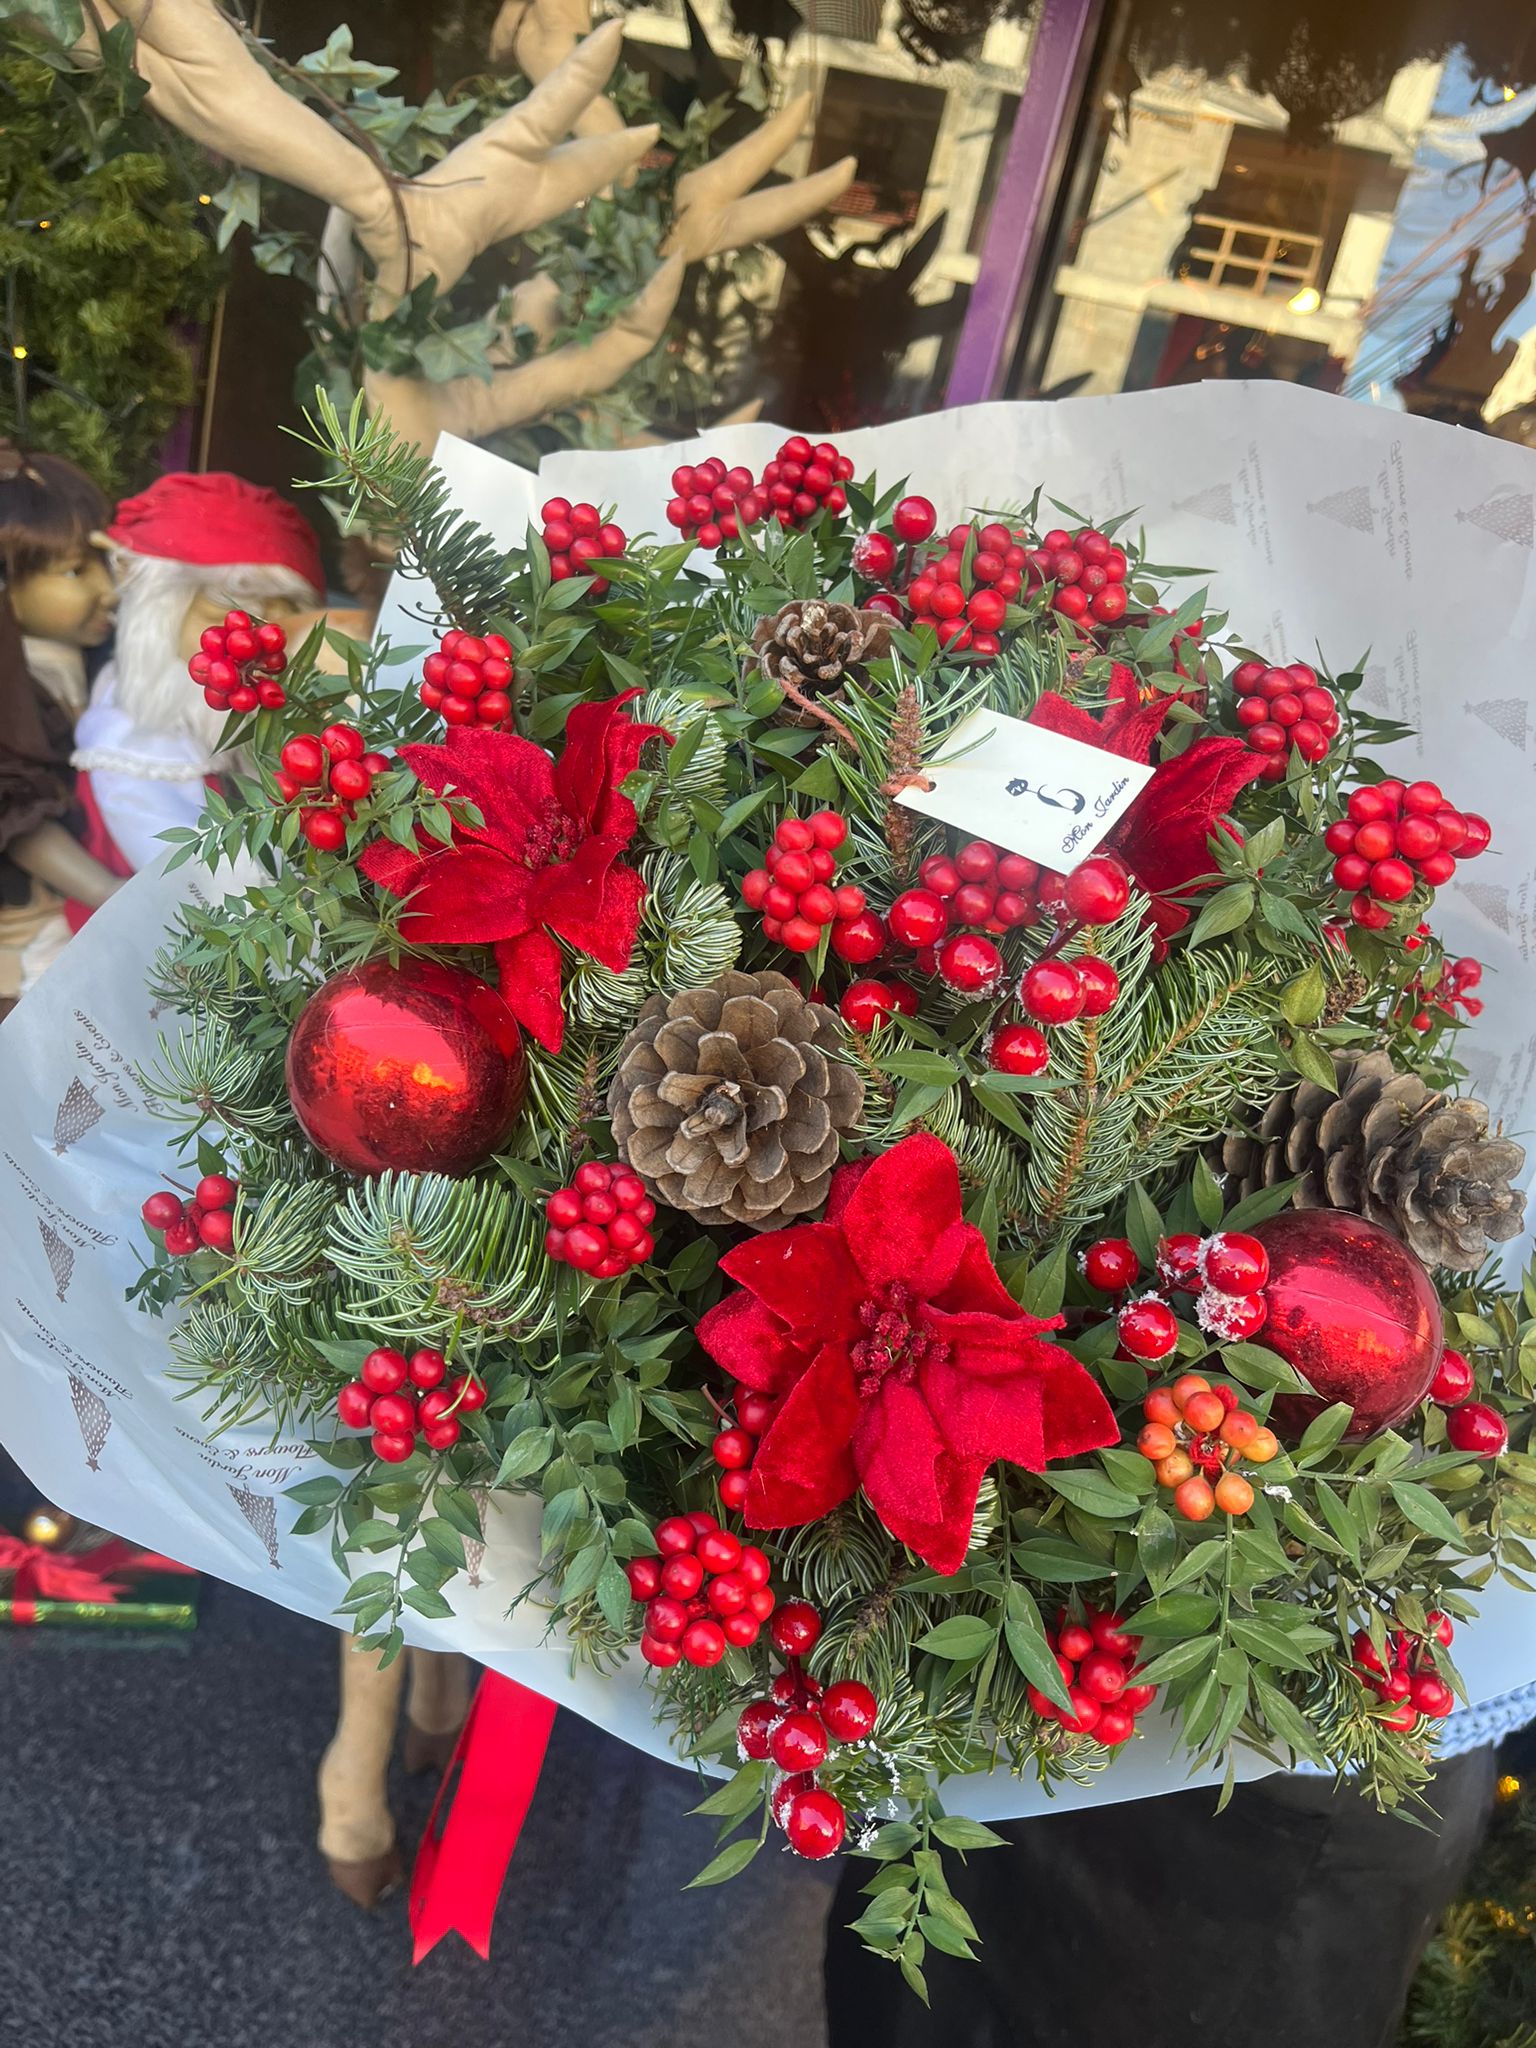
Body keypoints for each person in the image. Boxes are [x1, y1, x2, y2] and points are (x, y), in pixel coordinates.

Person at [0, 443, 122, 1014]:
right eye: (76, 569)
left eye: (104, 560)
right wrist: (113, 897)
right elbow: (16, 813)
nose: (108, 588)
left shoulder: (83, 661)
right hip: (26, 939)